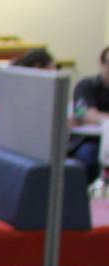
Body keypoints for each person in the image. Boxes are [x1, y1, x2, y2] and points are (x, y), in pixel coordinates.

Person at [0, 49, 55, 140]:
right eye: (52, 68)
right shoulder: (25, 92)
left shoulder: (14, 85)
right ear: (37, 67)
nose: (54, 73)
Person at [70, 46, 109, 181]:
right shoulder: (86, 85)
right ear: (102, 64)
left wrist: (99, 116)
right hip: (90, 141)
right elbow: (83, 113)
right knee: (86, 155)